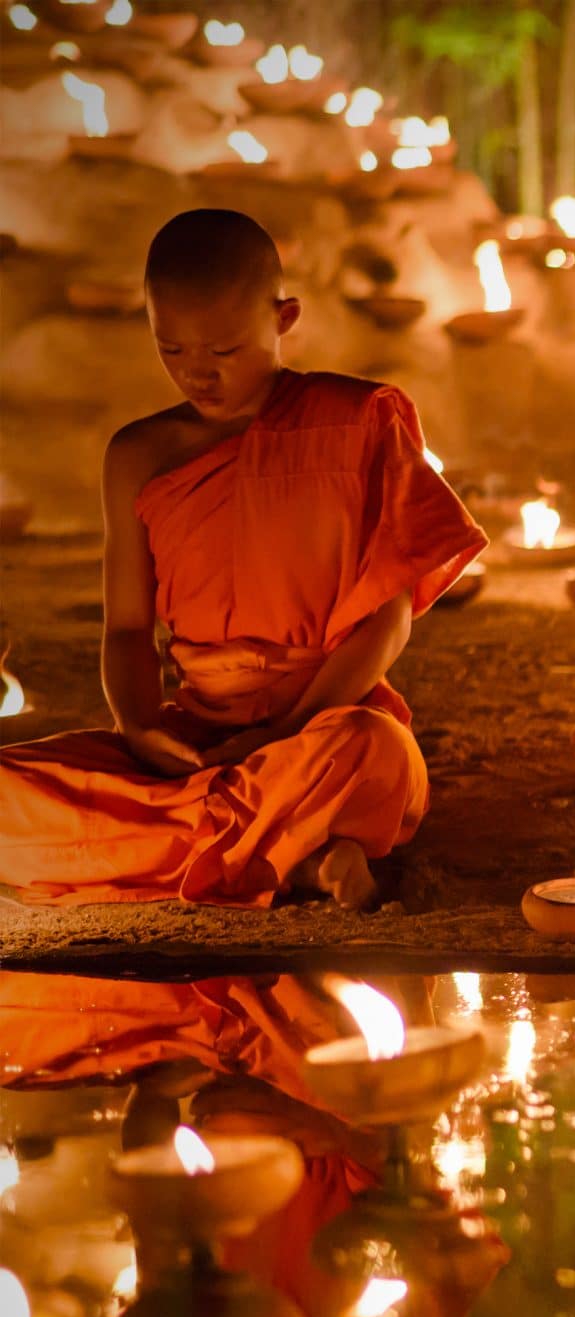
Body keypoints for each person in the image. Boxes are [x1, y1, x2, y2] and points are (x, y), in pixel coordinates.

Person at [0, 208, 484, 910]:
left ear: (284, 317)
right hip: (200, 739)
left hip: (319, 726)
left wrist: (283, 732)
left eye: (223, 351)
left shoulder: (355, 424)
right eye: (172, 350)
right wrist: (140, 728)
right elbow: (130, 629)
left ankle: (215, 845)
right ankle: (302, 853)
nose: (198, 373)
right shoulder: (137, 456)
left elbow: (388, 621)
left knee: (376, 750)